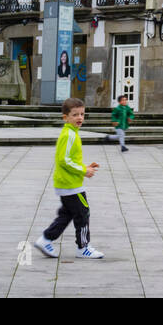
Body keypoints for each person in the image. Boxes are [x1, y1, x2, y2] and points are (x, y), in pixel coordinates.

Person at [34, 97, 103, 260]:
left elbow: (69, 158)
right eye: (75, 115)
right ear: (65, 117)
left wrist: (85, 166)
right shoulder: (70, 135)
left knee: (67, 214)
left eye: (82, 114)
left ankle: (45, 239)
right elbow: (64, 160)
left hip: (66, 183)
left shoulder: (70, 133)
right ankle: (84, 247)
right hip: (71, 184)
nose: (79, 118)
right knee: (83, 213)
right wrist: (83, 171)